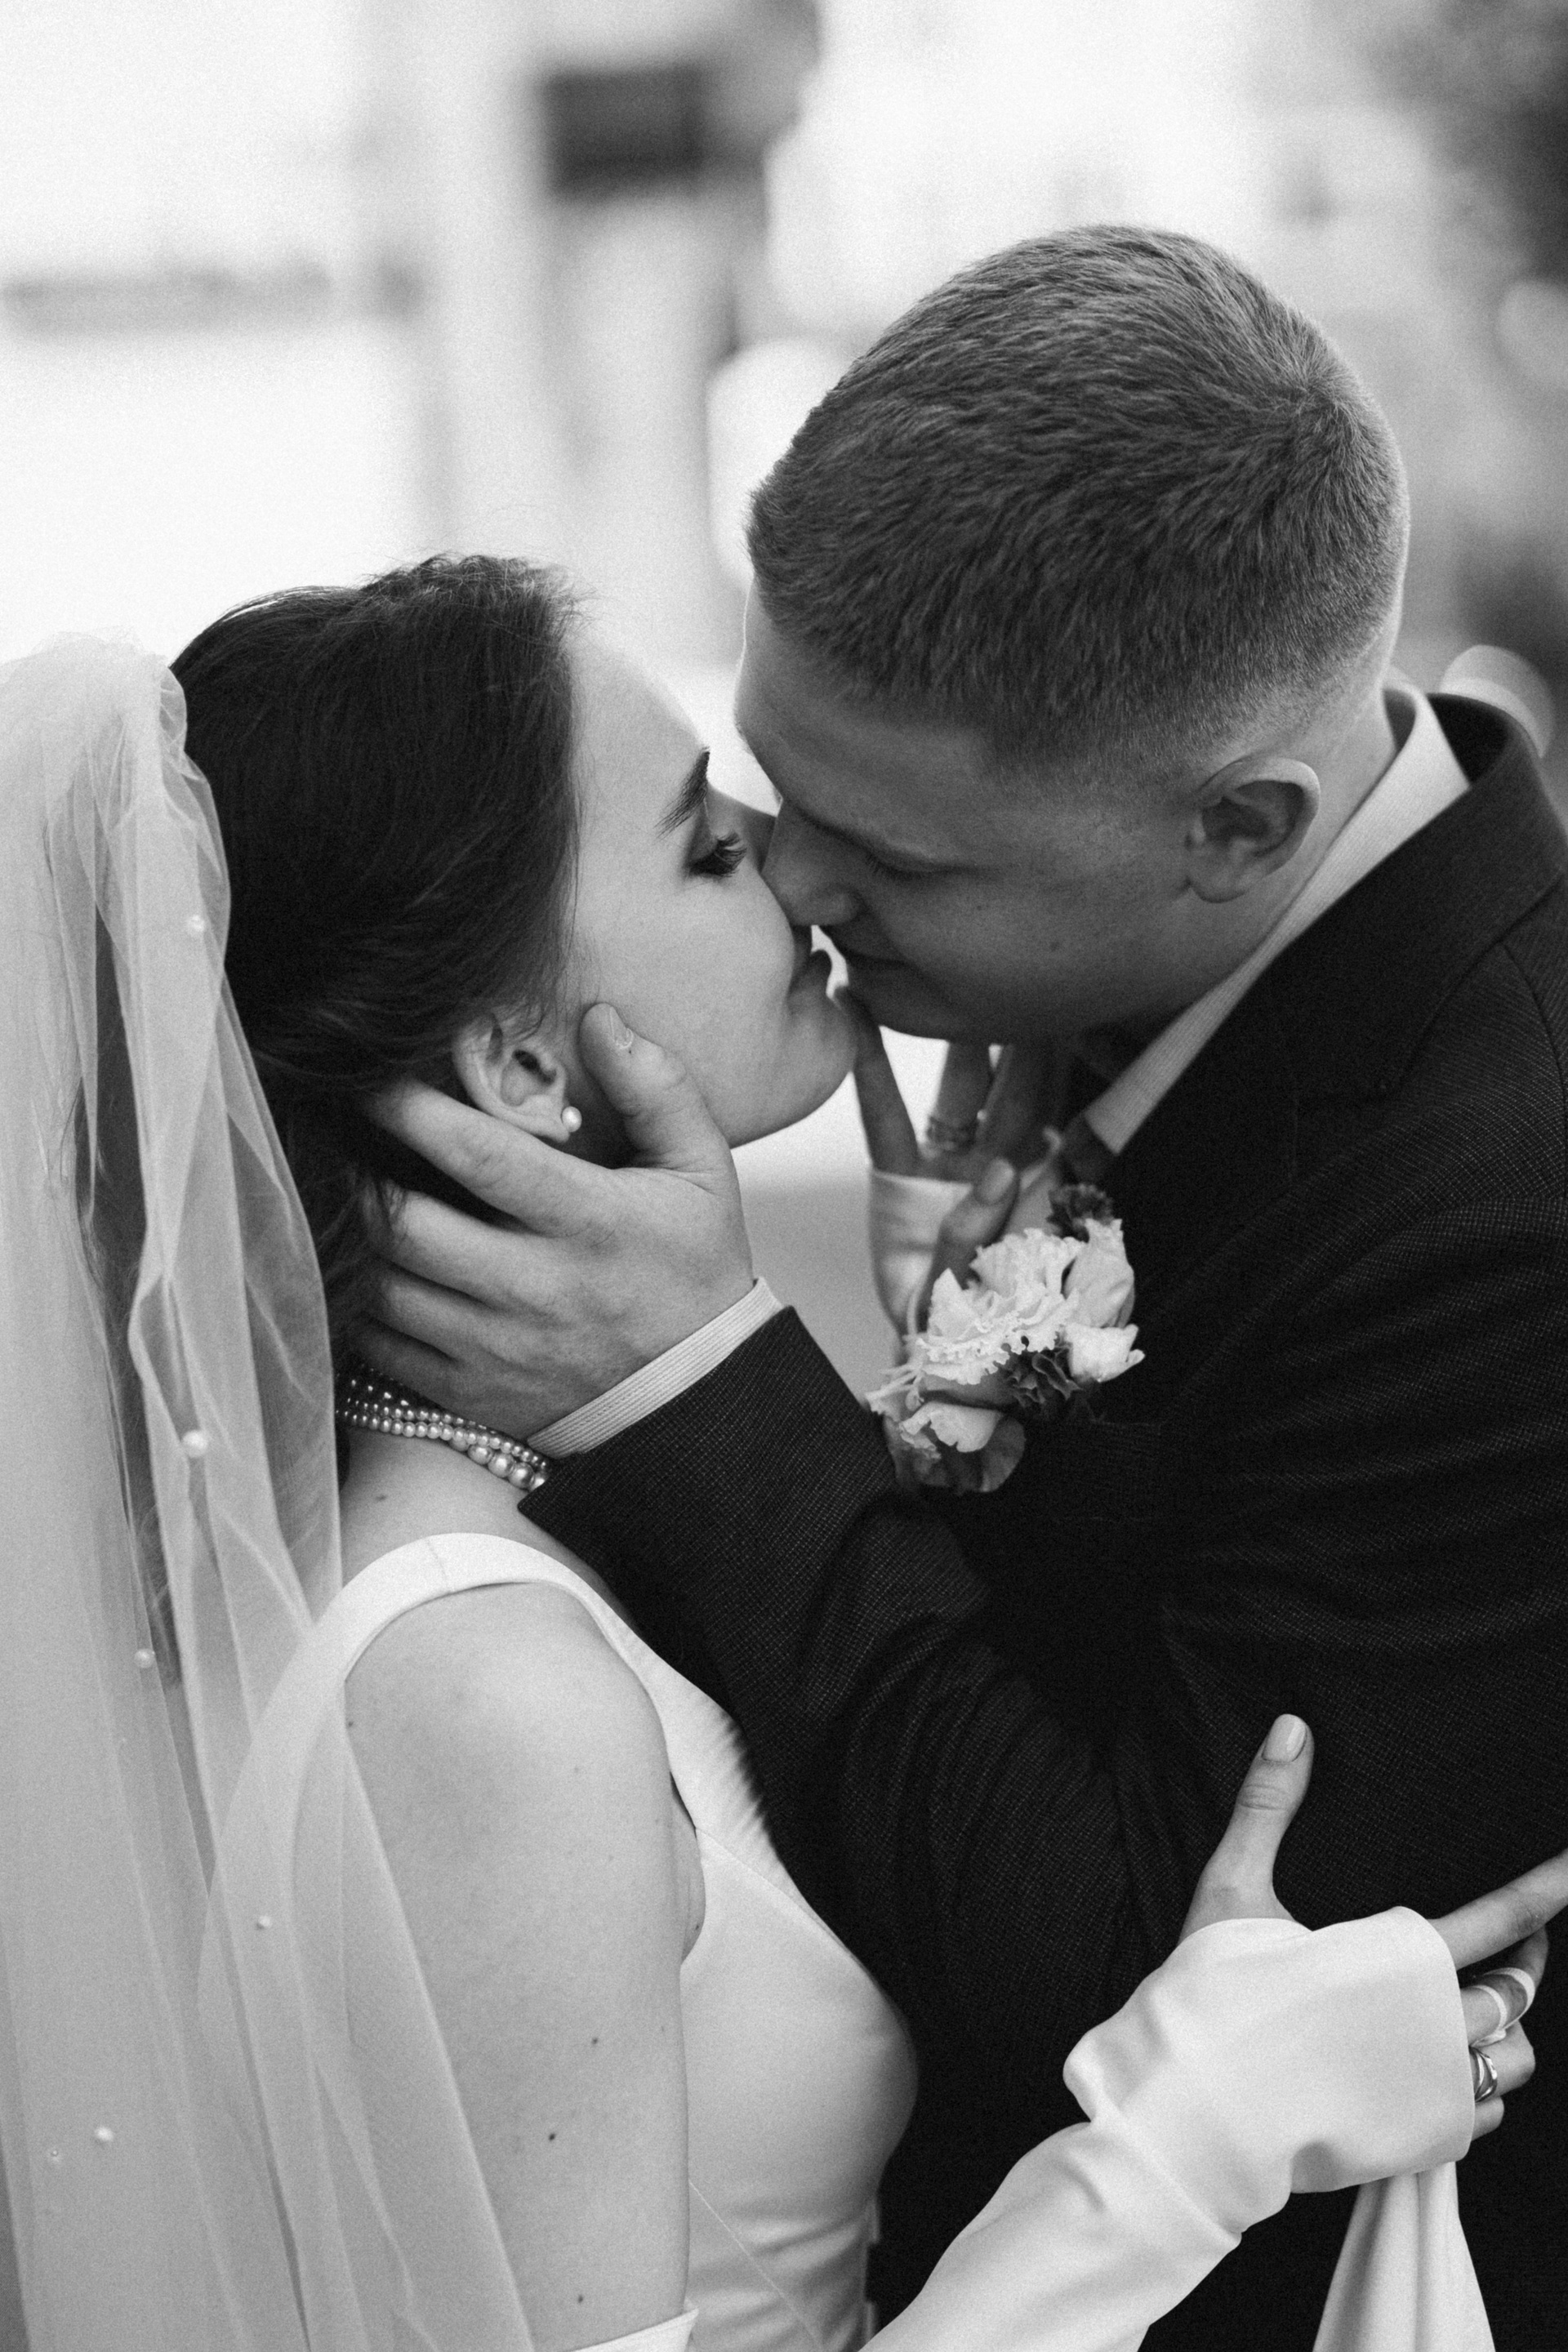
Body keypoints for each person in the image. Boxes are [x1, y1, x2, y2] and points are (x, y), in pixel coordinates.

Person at [0, 594, 1558, 2352]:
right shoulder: (480, 1690)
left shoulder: (530, 1512)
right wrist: (1188, 2137)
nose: (791, 869)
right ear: (523, 1062)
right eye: (702, 844)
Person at [359, 229, 1568, 2348]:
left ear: (1238, 825)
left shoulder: (1507, 1218)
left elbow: (1118, 1970)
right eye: (771, 795)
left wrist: (707, 1385)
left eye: (897, 860)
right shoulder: (1150, 971)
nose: (796, 887)